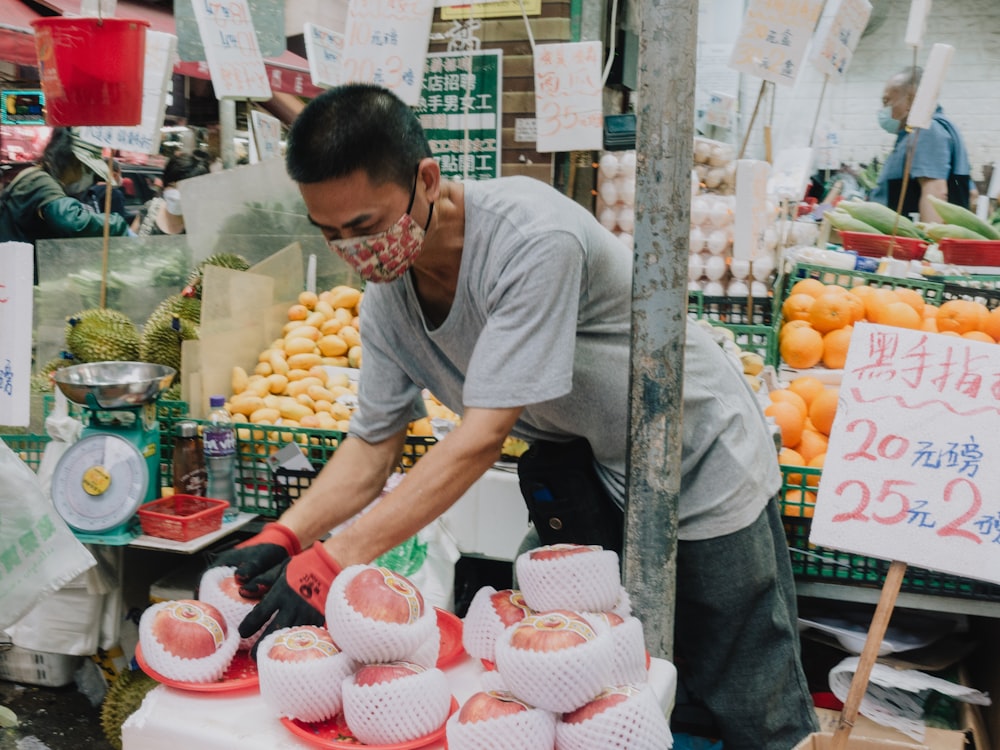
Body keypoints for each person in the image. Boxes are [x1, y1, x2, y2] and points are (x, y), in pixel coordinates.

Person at [211, 84, 818, 748]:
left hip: (693, 449)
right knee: (564, 671)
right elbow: (372, 444)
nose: (354, 252)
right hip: (588, 466)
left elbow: (481, 436)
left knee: (743, 677)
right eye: (330, 235)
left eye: (364, 226)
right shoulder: (387, 300)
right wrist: (287, 536)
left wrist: (335, 563)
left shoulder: (532, 237)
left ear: (427, 180)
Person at [0, 128, 131, 283]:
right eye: (87, 170)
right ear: (73, 162)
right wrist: (116, 224)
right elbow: (70, 219)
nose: (88, 177)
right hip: (17, 282)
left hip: (18, 276)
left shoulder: (35, 177)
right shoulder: (40, 182)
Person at [869, 66, 972, 223]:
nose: (884, 110)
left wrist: (929, 244)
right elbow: (973, 194)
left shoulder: (927, 130)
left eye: (887, 101)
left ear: (911, 98)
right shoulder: (916, 133)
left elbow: (935, 193)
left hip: (912, 244)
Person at [131, 149, 213, 236]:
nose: (178, 195)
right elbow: (129, 244)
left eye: (186, 189)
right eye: (172, 186)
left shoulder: (203, 225)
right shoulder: (150, 211)